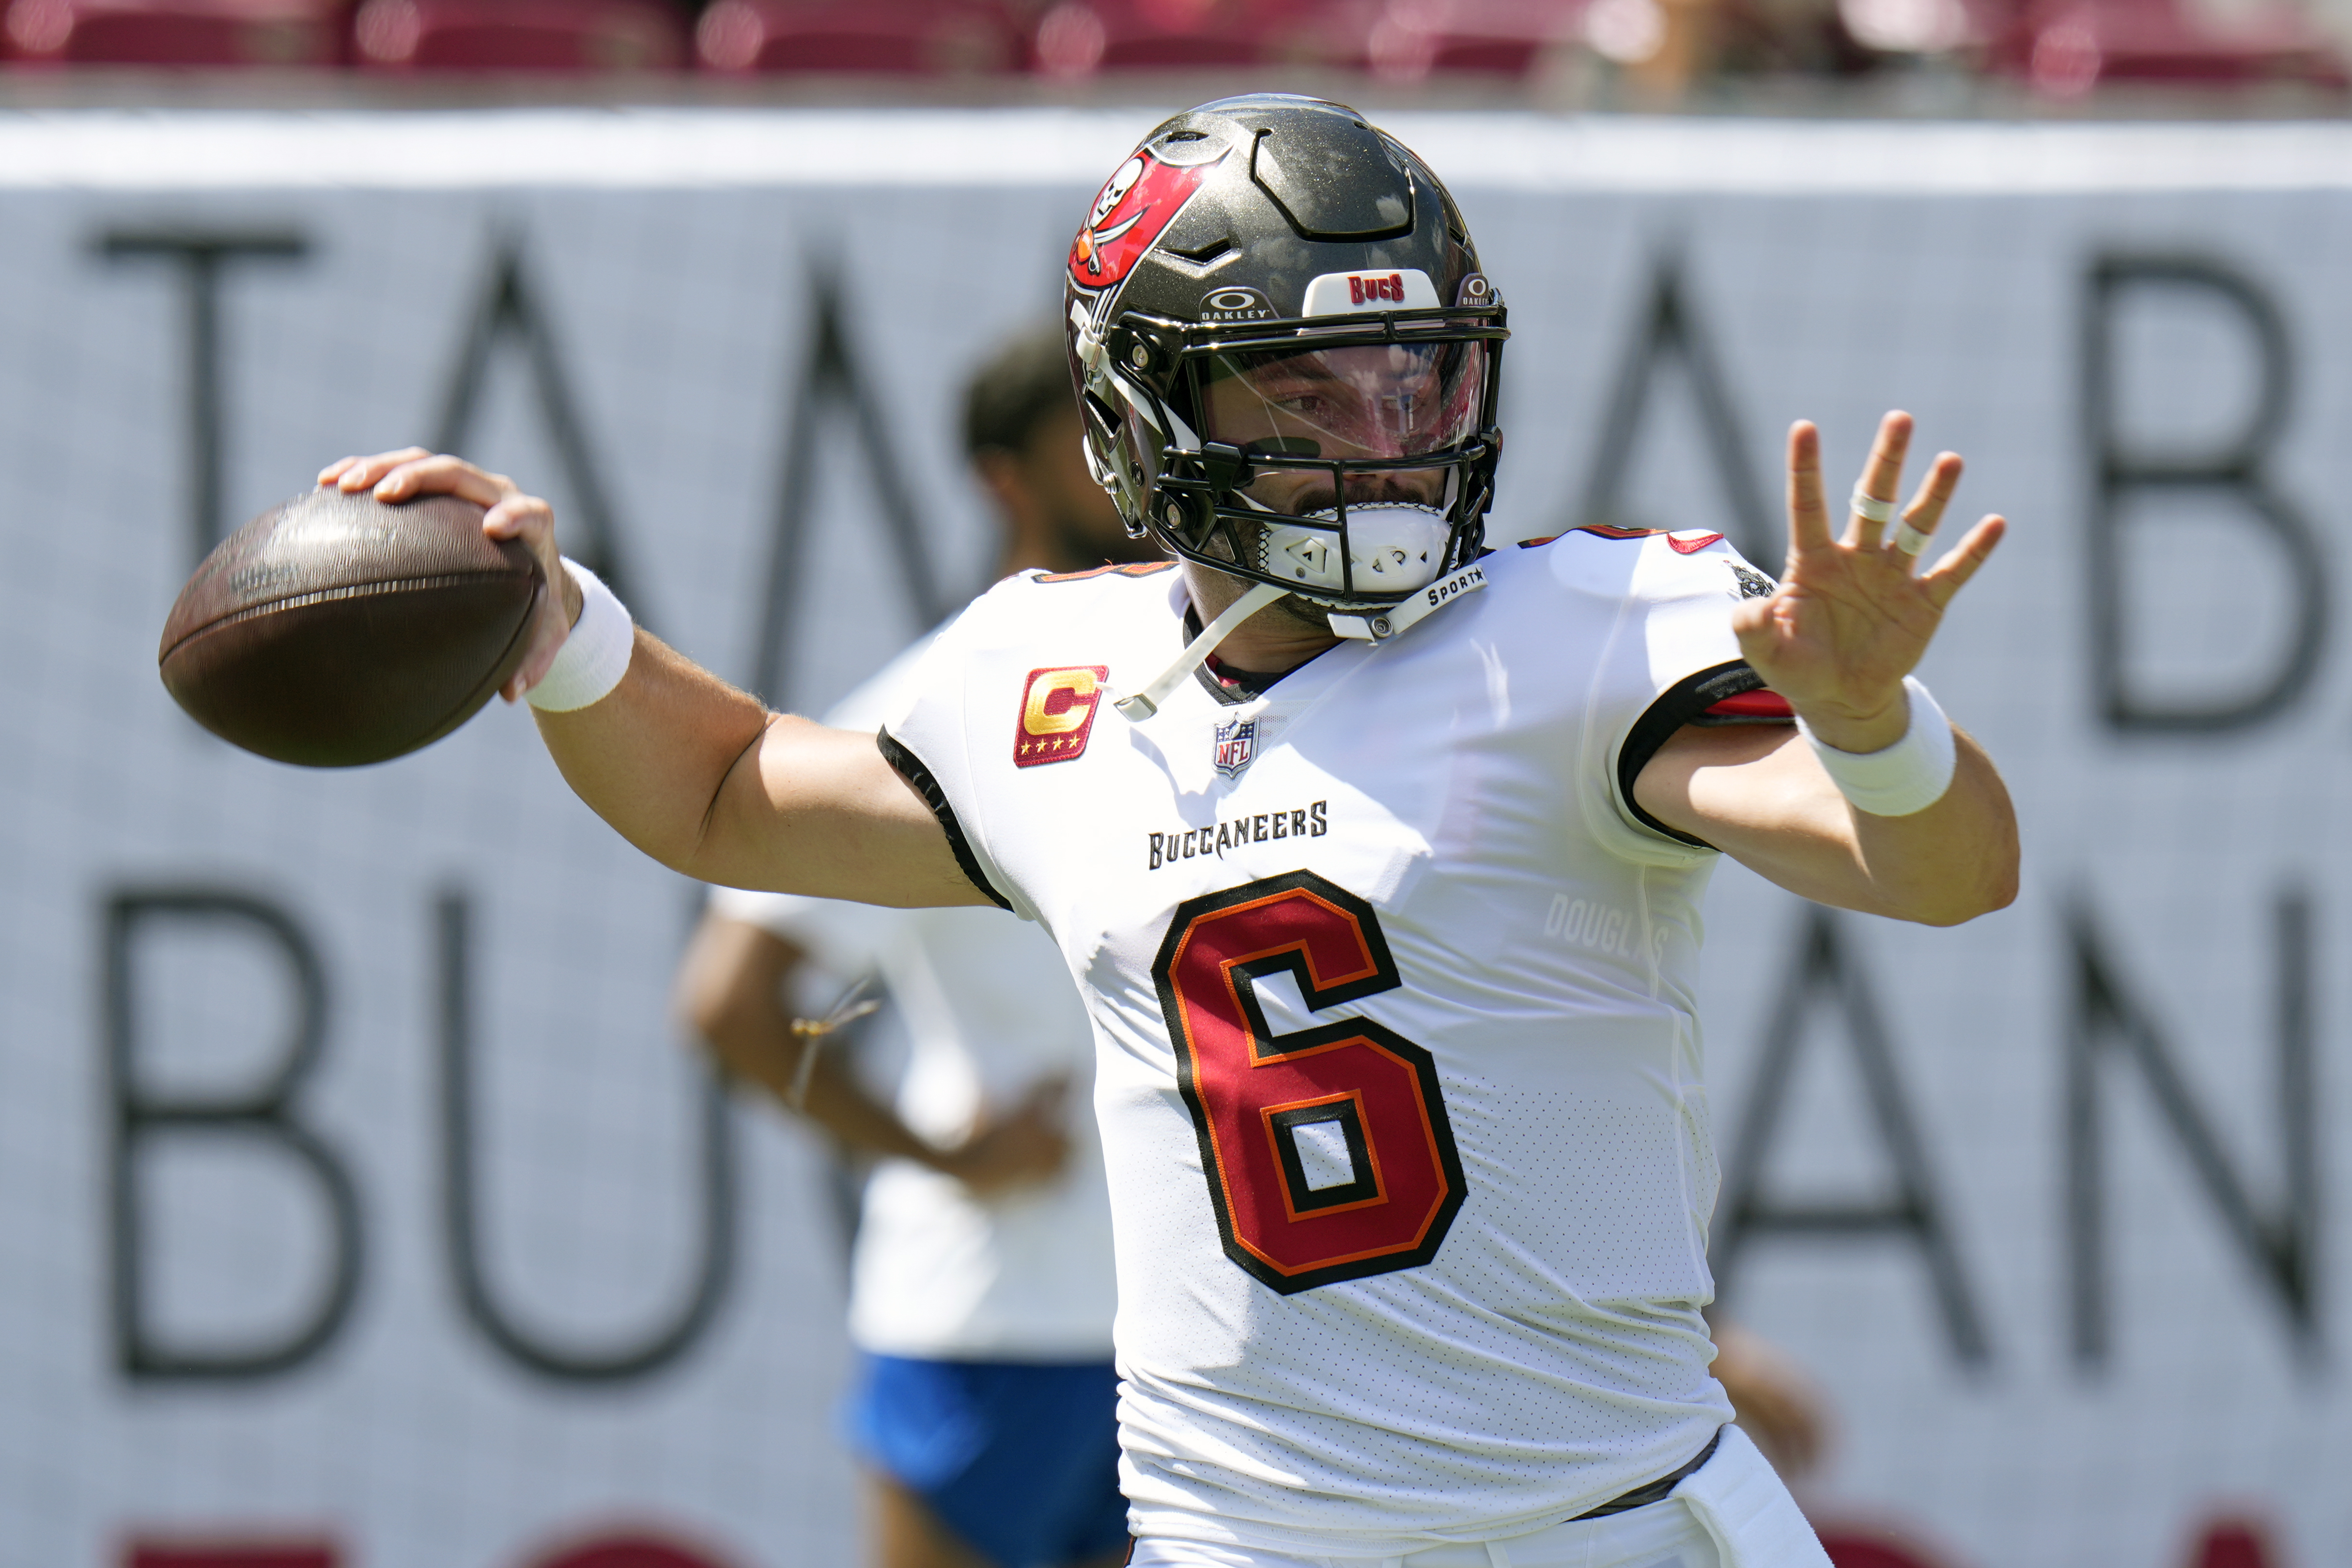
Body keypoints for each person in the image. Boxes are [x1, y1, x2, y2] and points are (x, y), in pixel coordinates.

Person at [321, 92, 2016, 1568]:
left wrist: (1870, 726)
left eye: (1415, 373)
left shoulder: (1580, 633)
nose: (1385, 441)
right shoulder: (1047, 680)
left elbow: (1943, 871)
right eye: (1307, 393)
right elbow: (723, 789)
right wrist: (562, 626)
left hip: (1613, 1518)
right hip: (1242, 1530)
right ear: (1143, 417)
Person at [671, 324, 1160, 1568]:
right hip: (990, 1326)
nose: (1135, 457)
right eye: (1093, 433)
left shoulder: (1218, 692)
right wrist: (947, 1154)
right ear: (1005, 477)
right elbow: (731, 1000)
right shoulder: (929, 709)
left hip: (1190, 1328)